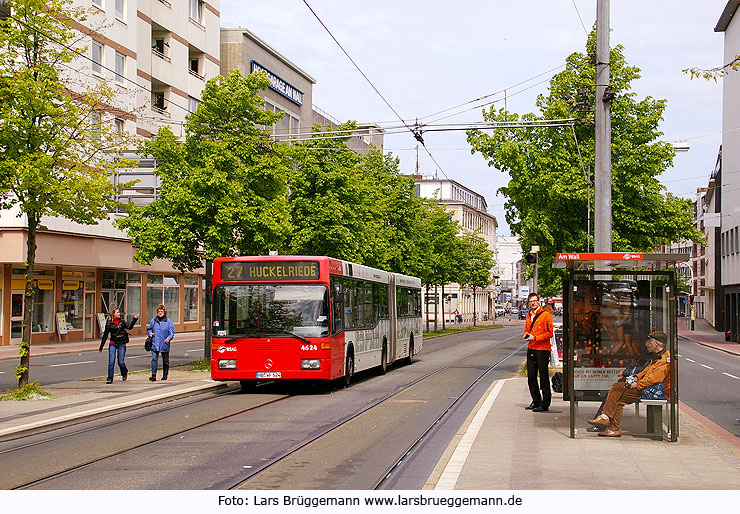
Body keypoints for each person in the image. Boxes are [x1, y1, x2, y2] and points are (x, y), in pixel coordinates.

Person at [588, 331, 671, 437]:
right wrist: (636, 377)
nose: (648, 344)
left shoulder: (664, 358)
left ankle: (606, 418)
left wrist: (638, 384)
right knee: (618, 399)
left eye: (650, 342)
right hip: (648, 388)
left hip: (655, 391)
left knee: (616, 388)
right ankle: (613, 428)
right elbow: (646, 371)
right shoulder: (658, 356)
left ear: (656, 343)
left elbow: (655, 378)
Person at [524, 292, 554, 412]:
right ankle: (536, 400)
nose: (533, 303)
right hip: (531, 348)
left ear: (539, 301)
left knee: (543, 376)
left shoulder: (546, 315)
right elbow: (527, 329)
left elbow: (549, 333)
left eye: (535, 301)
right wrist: (527, 335)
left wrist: (535, 338)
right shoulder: (528, 315)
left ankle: (545, 403)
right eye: (531, 301)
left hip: (542, 349)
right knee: (531, 376)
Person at [99, 308, 139, 384]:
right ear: (113, 314)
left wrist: (134, 319)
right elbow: (105, 335)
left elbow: (129, 327)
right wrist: (101, 346)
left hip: (122, 343)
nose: (119, 313)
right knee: (111, 361)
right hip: (113, 343)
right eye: (117, 312)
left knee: (120, 362)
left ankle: (124, 372)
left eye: (119, 312)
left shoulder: (122, 322)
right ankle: (110, 378)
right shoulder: (109, 324)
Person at [148, 304, 176, 381]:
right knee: (154, 359)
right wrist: (150, 333)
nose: (160, 313)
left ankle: (165, 375)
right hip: (155, 343)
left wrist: (168, 338)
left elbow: (171, 332)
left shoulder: (168, 322)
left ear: (164, 312)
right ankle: (153, 375)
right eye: (159, 311)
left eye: (161, 311)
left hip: (164, 343)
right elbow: (149, 329)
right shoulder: (153, 321)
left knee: (165, 361)